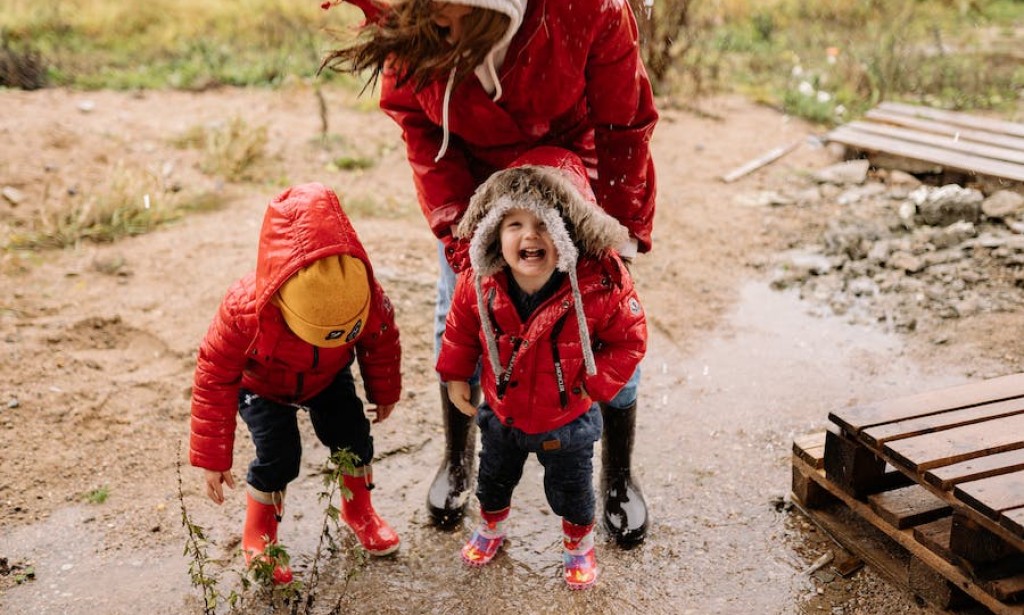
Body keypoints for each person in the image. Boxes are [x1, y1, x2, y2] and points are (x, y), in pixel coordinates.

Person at [320, 0, 657, 545]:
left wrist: (615, 233)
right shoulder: (411, 22)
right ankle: (459, 458)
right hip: (474, 183)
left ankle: (617, 474)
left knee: (604, 311)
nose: (427, 19)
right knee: (459, 309)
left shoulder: (587, 10)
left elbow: (625, 121)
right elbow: (418, 124)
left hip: (572, 176)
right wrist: (461, 236)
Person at [436, 146, 647, 588]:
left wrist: (597, 383)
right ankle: (491, 527)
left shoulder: (600, 284)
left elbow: (629, 337)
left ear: (569, 233)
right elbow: (459, 328)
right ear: (495, 232)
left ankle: (579, 545)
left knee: (573, 493)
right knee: (493, 481)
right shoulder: (480, 282)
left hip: (567, 421)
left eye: (544, 225)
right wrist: (457, 373)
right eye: (515, 224)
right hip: (502, 414)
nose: (529, 237)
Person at [189, 182, 403, 584]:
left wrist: (384, 392)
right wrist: (213, 458)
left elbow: (381, 339)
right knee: (279, 453)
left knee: (353, 436)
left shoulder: (364, 291)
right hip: (263, 386)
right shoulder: (243, 311)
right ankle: (260, 533)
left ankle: (359, 511)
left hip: (327, 376)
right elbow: (214, 376)